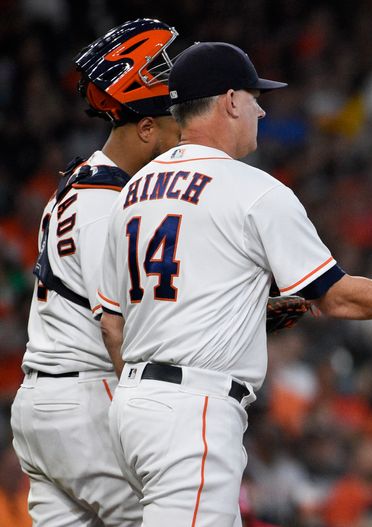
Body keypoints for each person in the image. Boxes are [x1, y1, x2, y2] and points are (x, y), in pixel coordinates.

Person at [96, 41, 372, 526]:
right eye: (253, 97)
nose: (261, 109)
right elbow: (338, 298)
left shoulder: (132, 192)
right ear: (229, 101)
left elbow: (112, 321)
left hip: (131, 407)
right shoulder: (253, 189)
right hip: (193, 411)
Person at [9, 18, 181, 526]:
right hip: (86, 401)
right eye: (173, 124)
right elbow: (114, 328)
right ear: (145, 127)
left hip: (41, 403)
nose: (181, 135)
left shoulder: (79, 182)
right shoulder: (109, 204)